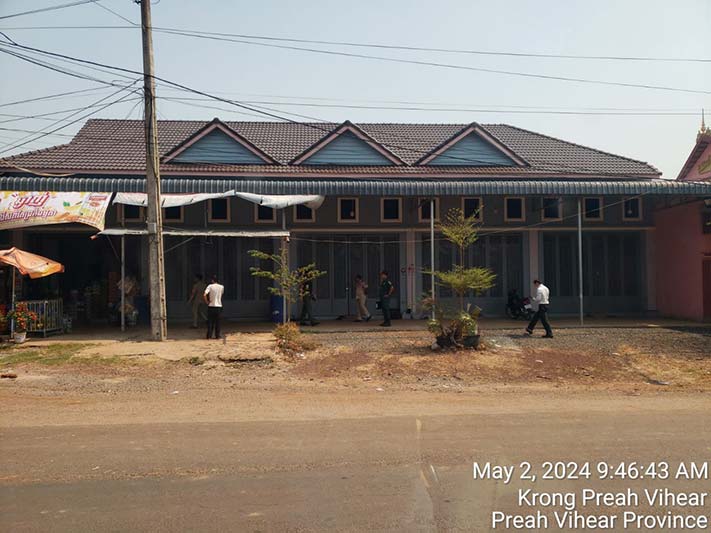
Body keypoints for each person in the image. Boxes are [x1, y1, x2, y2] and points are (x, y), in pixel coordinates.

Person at [203, 274, 224, 339]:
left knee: (210, 322)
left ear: (212, 280)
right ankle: (217, 336)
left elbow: (204, 295)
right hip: (219, 306)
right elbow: (221, 295)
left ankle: (209, 336)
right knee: (218, 322)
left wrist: (207, 302)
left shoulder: (210, 286)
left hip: (211, 306)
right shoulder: (221, 287)